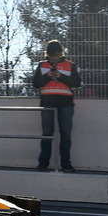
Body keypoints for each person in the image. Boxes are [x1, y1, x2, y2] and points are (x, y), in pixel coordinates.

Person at [33, 40, 81, 172]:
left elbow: (77, 82)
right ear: (47, 55)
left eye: (57, 56)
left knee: (65, 134)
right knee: (47, 134)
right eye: (51, 56)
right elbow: (36, 83)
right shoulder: (42, 65)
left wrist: (61, 76)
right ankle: (43, 163)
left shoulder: (70, 65)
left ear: (61, 54)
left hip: (66, 104)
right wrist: (47, 76)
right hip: (47, 103)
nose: (54, 59)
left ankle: (66, 163)